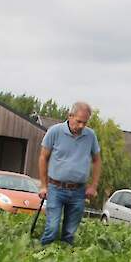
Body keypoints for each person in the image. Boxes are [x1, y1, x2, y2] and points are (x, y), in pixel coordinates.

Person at [37, 102, 102, 245]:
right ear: (70, 116)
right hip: (56, 188)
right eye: (78, 121)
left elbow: (97, 161)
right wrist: (43, 185)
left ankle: (64, 260)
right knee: (52, 228)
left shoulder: (90, 135)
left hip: (78, 190)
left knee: (70, 232)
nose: (81, 126)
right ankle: (41, 255)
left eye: (85, 123)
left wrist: (93, 186)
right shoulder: (55, 131)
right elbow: (43, 158)